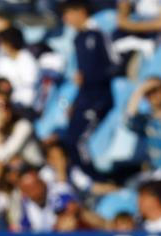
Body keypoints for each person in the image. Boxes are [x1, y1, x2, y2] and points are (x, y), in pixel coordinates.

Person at [63, 0, 118, 179]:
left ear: (81, 11)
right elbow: (82, 77)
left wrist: (94, 78)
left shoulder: (99, 33)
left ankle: (97, 180)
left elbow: (114, 63)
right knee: (70, 140)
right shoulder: (78, 38)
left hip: (99, 98)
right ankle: (86, 180)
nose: (66, 19)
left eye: (69, 13)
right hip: (85, 98)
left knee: (78, 141)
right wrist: (75, 101)